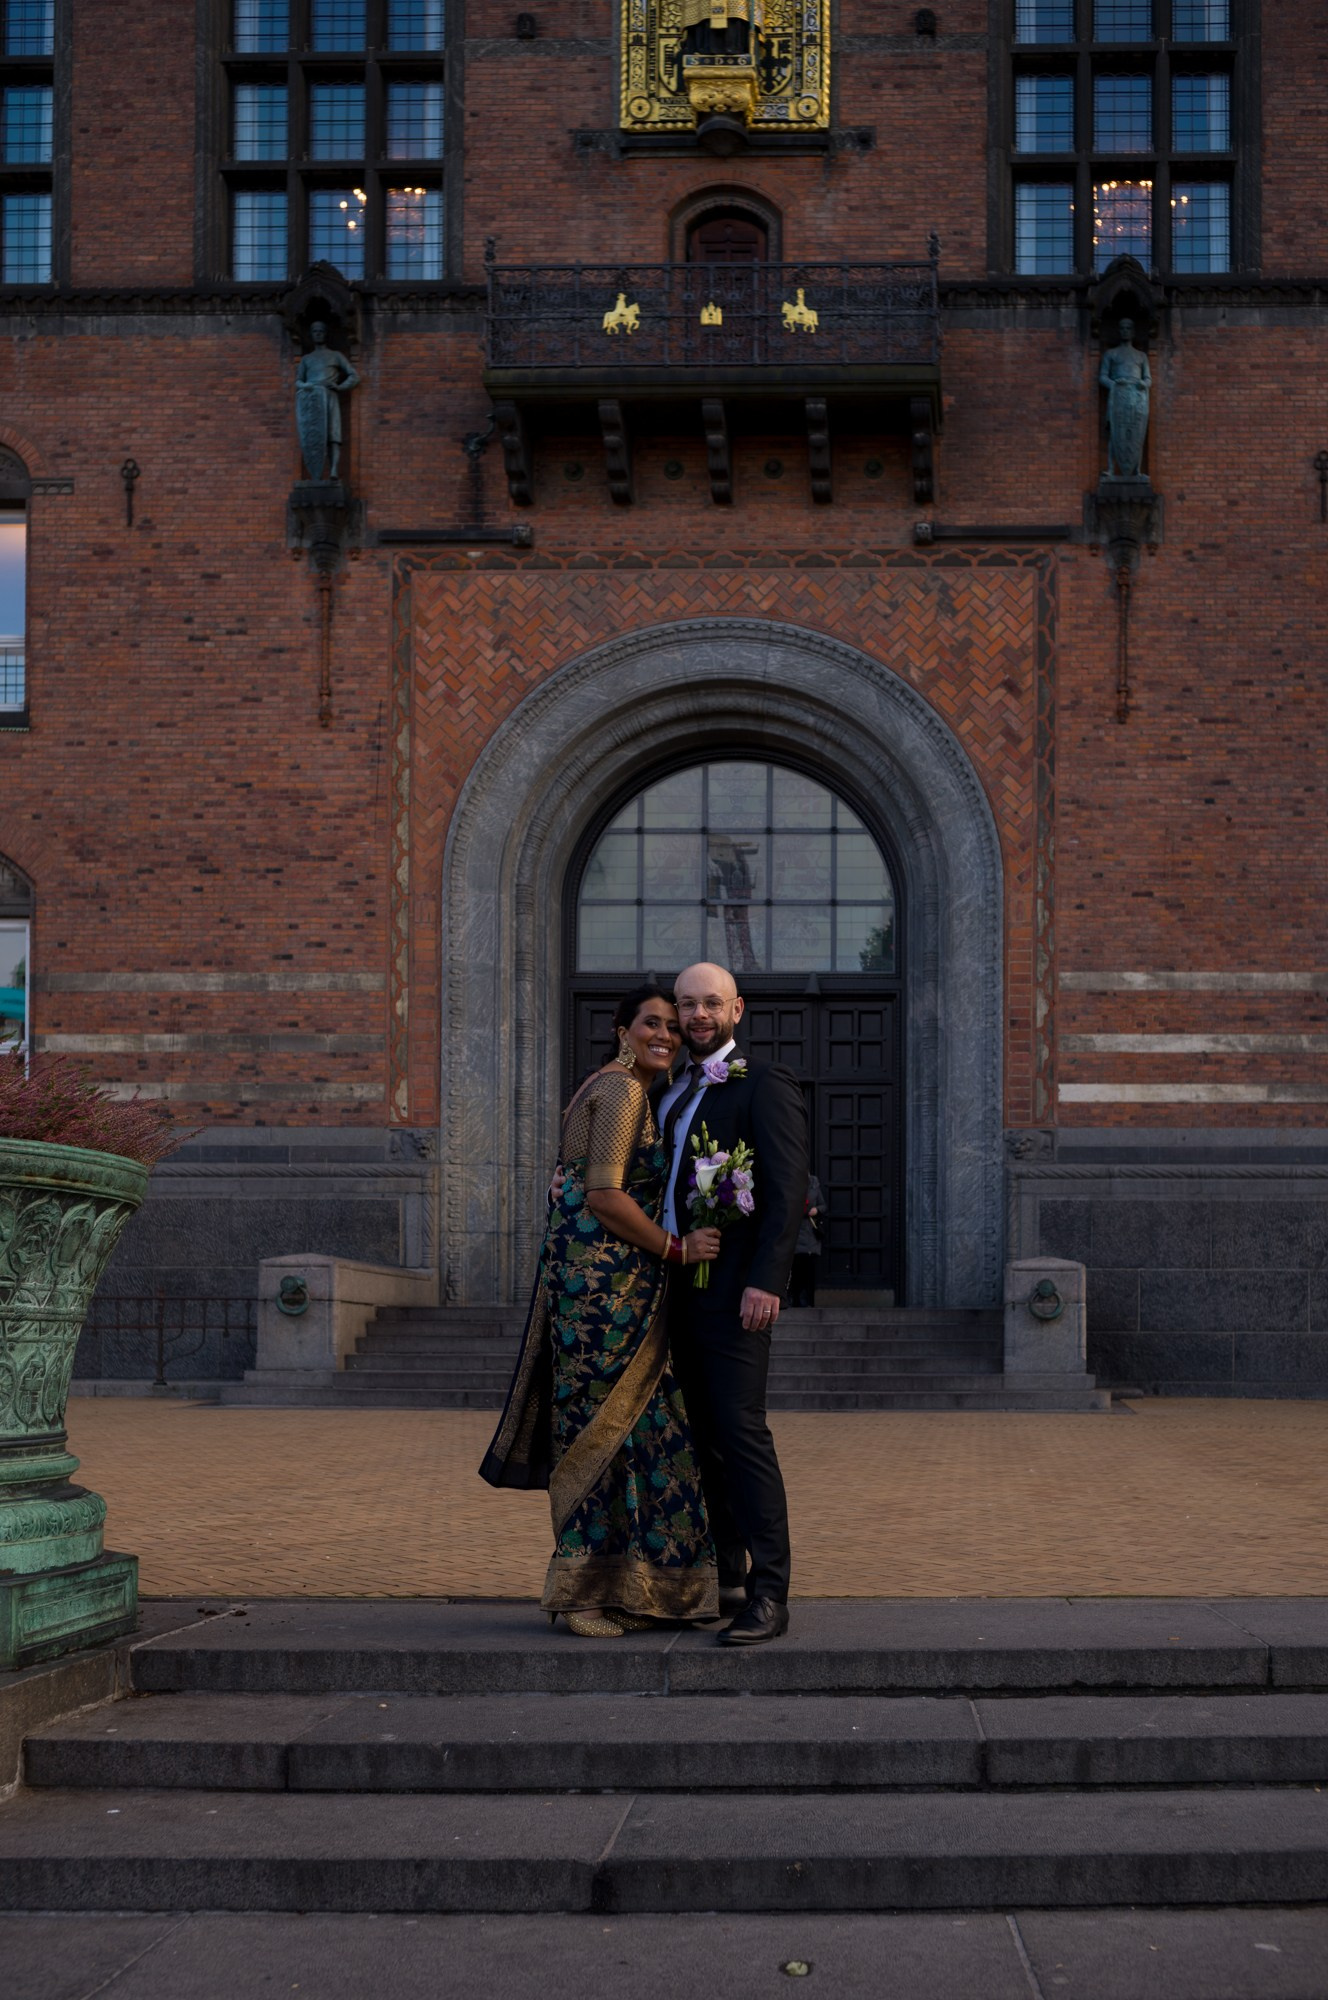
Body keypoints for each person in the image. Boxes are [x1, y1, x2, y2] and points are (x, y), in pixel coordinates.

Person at [480, 985, 720, 1637]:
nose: (666, 1034)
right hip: (604, 1294)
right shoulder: (622, 1090)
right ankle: (583, 1594)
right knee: (604, 1432)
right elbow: (607, 1194)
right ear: (622, 1030)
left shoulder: (610, 1085)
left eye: (673, 1025)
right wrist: (678, 1247)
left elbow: (577, 1183)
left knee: (634, 1433)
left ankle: (635, 1589)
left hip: (600, 1283)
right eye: (652, 1023)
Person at [660, 962, 809, 1646]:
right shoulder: (668, 1093)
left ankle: (769, 1594)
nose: (697, 1015)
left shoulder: (761, 1083)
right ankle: (724, 1574)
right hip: (673, 1294)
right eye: (687, 1004)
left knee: (742, 1435)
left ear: (736, 1010)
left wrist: (766, 1282)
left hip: (735, 1294)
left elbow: (786, 1192)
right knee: (702, 1442)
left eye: (710, 1003)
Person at [295, 320, 360, 481]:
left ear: (325, 334)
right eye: (315, 331)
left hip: (330, 396)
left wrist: (340, 387)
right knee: (314, 436)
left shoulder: (336, 356)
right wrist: (307, 385)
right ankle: (315, 472)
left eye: (321, 331)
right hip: (312, 399)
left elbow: (354, 376)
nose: (318, 334)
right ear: (311, 335)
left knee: (333, 434)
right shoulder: (307, 359)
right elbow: (297, 381)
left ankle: (333, 470)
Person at [1099, 317, 1151, 480]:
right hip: (1118, 398)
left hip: (1136, 399)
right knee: (1115, 433)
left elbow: (1148, 379)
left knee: (1138, 434)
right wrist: (1114, 384)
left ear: (1133, 331)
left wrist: (1143, 384)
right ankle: (1111, 469)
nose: (1125, 331)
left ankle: (1137, 470)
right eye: (1122, 328)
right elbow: (1102, 377)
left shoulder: (1141, 356)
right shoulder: (1111, 353)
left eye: (1128, 328)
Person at [788, 1173, 827, 1308]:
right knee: (795, 1270)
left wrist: (815, 1210)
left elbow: (823, 1205)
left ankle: (807, 1299)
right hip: (795, 1234)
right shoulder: (790, 1182)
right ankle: (793, 1298)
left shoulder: (814, 1183)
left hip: (810, 1236)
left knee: (808, 1270)